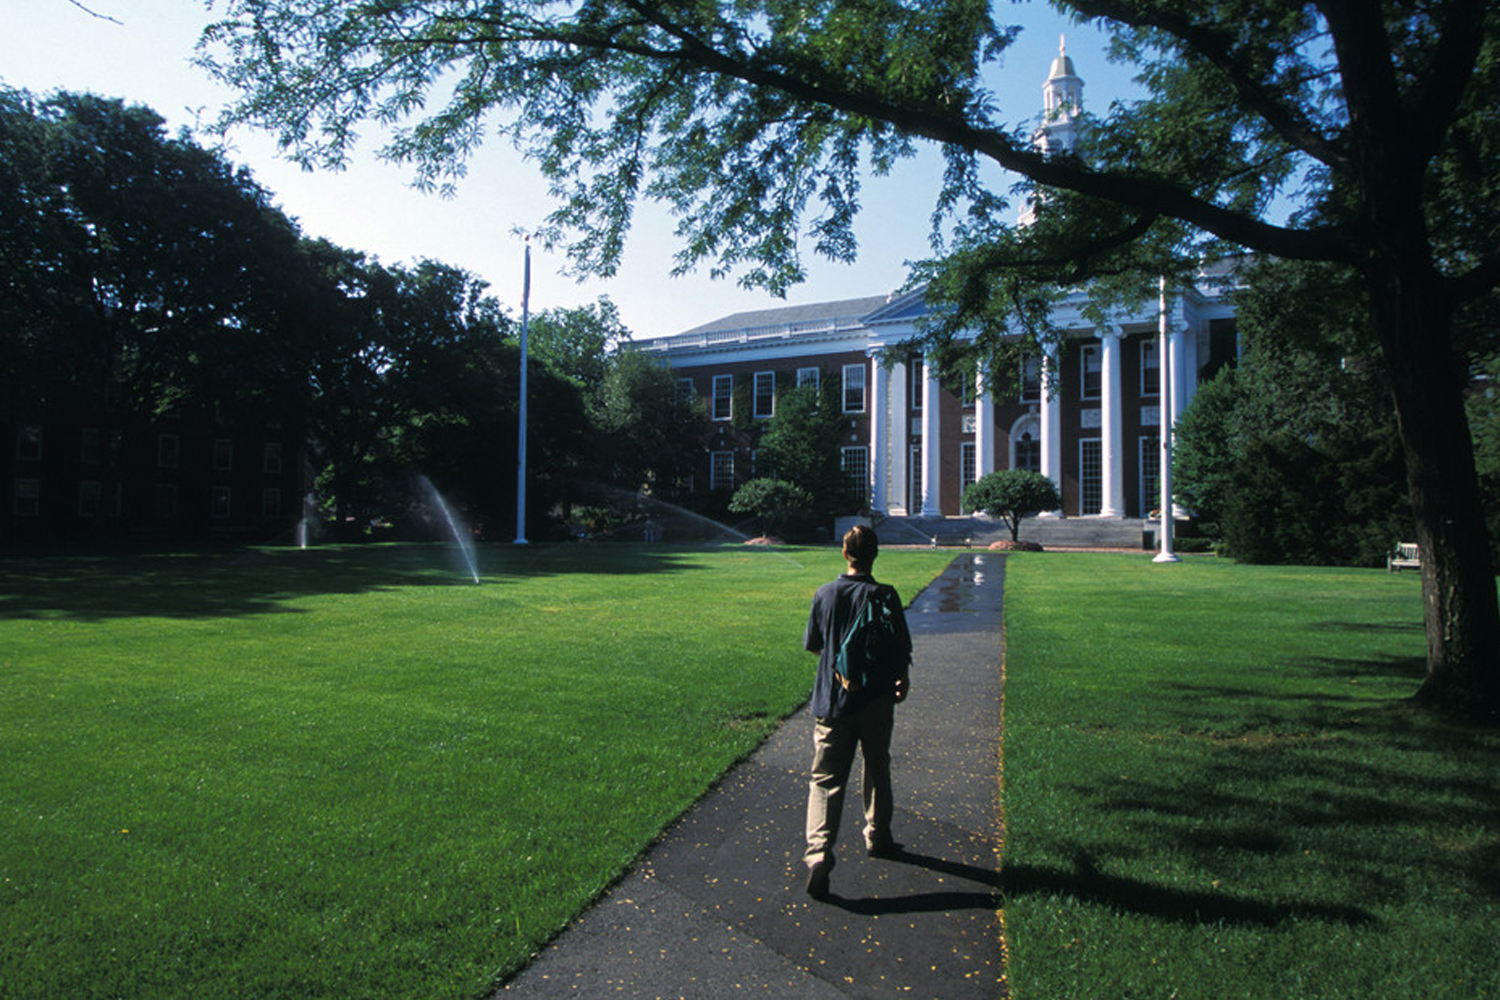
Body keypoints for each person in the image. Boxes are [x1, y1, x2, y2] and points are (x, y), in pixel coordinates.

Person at [801, 524, 913, 898]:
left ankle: (818, 854)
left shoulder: (826, 594)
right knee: (877, 766)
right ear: (875, 554)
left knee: (825, 780)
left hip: (832, 702)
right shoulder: (886, 594)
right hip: (877, 701)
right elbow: (900, 648)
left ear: (844, 554)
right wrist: (899, 678)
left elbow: (815, 645)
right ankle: (877, 836)